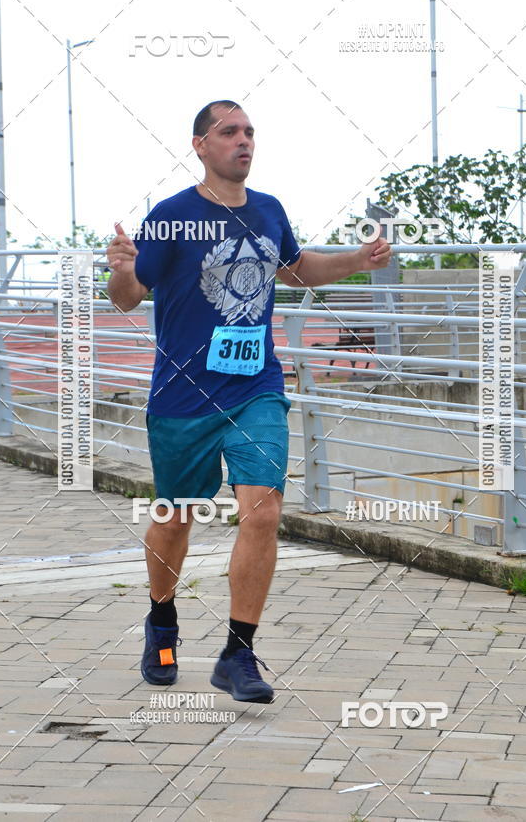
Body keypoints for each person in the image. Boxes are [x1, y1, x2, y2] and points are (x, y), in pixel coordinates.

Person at [106, 100, 392, 703]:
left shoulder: (268, 211)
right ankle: (161, 621)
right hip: (183, 395)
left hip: (256, 385)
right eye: (228, 132)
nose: (243, 140)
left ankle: (239, 653)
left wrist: (354, 260)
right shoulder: (172, 216)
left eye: (250, 132)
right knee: (175, 515)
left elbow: (294, 268)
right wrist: (122, 267)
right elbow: (129, 297)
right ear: (200, 146)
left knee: (261, 510)